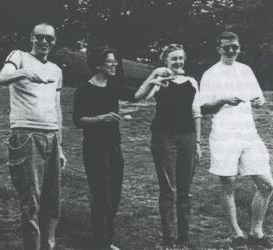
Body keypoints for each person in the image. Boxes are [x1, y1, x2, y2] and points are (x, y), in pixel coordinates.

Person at [0, 22, 66, 250]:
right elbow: (0, 78)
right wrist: (23, 73)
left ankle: (48, 246)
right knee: (31, 201)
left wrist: (61, 146)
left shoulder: (56, 70)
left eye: (49, 38)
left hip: (51, 137)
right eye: (40, 37)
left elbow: (57, 108)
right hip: (26, 135)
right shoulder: (19, 56)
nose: (44, 42)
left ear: (54, 41)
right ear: (32, 37)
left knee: (52, 201)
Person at [199, 31, 273, 249]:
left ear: (239, 47)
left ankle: (256, 232)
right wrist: (222, 100)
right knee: (228, 183)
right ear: (218, 49)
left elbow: (258, 97)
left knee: (267, 185)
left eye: (235, 47)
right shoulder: (210, 74)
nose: (231, 51)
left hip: (248, 133)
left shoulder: (246, 70)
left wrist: (259, 101)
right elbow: (203, 108)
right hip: (224, 133)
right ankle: (237, 234)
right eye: (226, 47)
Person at [134, 44, 202, 248]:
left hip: (187, 138)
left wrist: (198, 142)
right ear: (165, 61)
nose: (178, 62)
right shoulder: (160, 81)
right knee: (168, 190)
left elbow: (196, 112)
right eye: (174, 59)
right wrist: (154, 77)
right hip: (163, 138)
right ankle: (168, 239)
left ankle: (184, 237)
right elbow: (139, 96)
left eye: (181, 58)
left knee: (185, 191)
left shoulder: (191, 82)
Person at [73, 46, 138, 250]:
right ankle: (101, 243)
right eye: (110, 61)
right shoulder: (84, 90)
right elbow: (78, 121)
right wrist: (101, 118)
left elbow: (136, 96)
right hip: (94, 149)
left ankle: (107, 240)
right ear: (98, 65)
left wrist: (154, 79)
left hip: (114, 148)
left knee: (115, 195)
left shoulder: (113, 86)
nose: (115, 64)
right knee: (101, 196)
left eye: (115, 61)